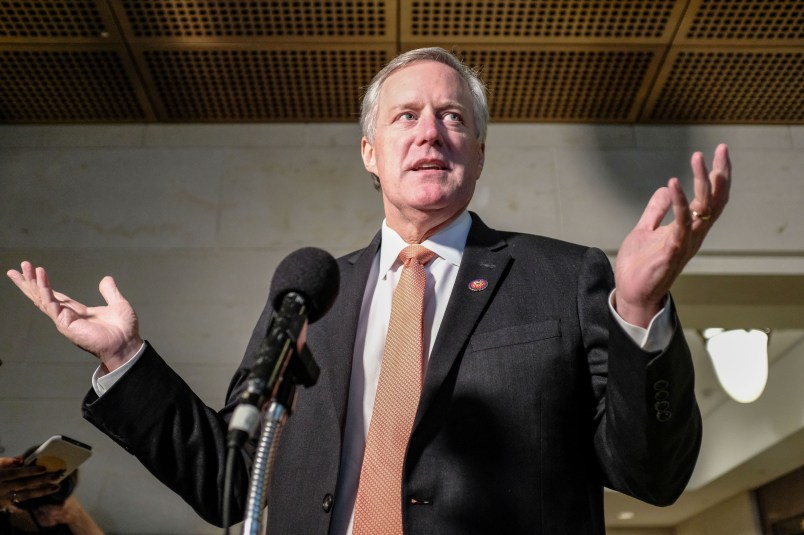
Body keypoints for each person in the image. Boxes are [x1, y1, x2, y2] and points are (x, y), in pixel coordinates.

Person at [7, 47, 730, 534]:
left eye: (453, 118)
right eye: (406, 116)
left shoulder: (565, 276)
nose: (430, 133)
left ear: (478, 150)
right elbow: (234, 480)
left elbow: (652, 474)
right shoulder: (311, 288)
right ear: (370, 152)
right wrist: (126, 358)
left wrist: (636, 311)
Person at [0, 457, 103, 534]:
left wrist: (78, 517)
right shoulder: (8, 508)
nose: (43, 496)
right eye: (38, 487)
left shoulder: (67, 516)